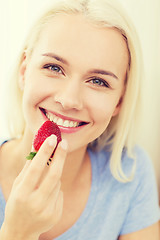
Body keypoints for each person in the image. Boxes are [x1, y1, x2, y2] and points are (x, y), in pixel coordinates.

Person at [0, 0, 159, 239]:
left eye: (98, 81)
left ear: (119, 101)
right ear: (24, 71)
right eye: (54, 67)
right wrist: (18, 233)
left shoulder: (131, 173)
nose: (69, 100)